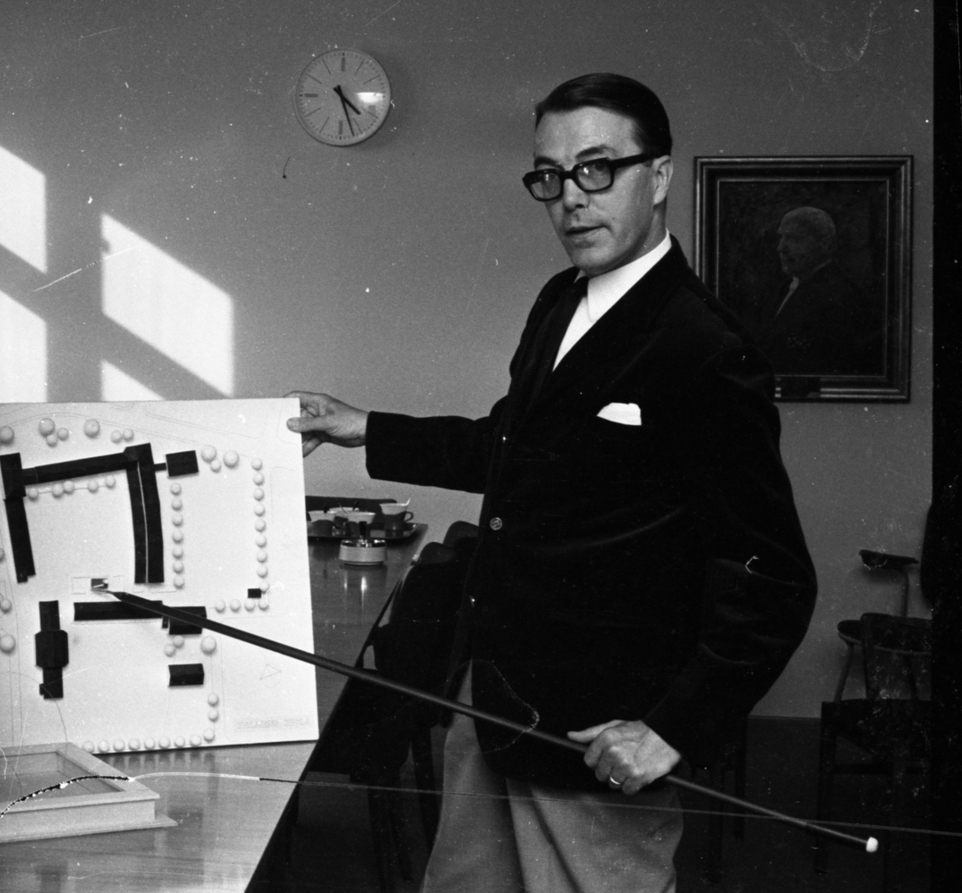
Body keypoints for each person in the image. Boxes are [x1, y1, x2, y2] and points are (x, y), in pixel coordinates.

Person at [287, 72, 817, 893]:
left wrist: (670, 730)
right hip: (494, 701)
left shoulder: (705, 346)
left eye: (597, 169)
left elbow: (772, 574)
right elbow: (517, 448)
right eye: (551, 175)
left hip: (596, 736)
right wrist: (368, 428)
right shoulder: (560, 300)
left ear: (659, 177)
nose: (572, 197)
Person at [759, 206, 878, 375]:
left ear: (824, 244)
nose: (781, 247)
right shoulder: (785, 288)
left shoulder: (841, 296)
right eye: (781, 237)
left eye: (794, 238)